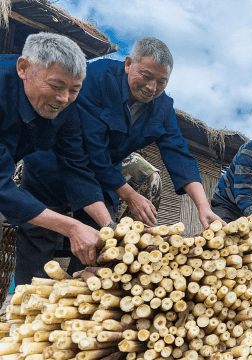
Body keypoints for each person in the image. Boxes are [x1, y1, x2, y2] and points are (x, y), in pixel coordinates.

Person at [18, 37, 223, 283]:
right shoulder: (95, 79)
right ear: (128, 64)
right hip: (53, 167)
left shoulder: (163, 107)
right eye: (146, 76)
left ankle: (83, 304)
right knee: (39, 236)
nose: (151, 87)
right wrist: (130, 195)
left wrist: (203, 206)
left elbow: (178, 152)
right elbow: (92, 149)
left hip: (104, 179)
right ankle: (26, 303)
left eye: (161, 81)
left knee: (103, 242)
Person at [0, 33, 114, 285]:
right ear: (23, 68)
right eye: (56, 86)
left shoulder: (66, 109)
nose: (64, 98)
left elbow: (76, 168)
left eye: (74, 89)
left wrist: (112, 229)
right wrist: (71, 227)